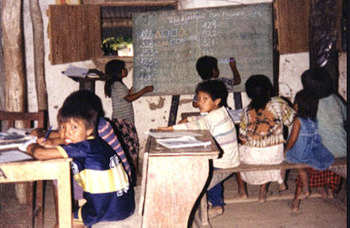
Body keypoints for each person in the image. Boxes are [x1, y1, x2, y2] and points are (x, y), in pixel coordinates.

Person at [27, 94, 135, 227]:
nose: (67, 133)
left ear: (89, 129)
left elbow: (40, 154)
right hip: (124, 203)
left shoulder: (83, 147)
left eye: (74, 128)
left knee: (64, 220)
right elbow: (61, 139)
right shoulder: (96, 142)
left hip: (106, 209)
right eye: (63, 127)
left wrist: (29, 145)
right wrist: (50, 141)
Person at [158, 80, 240, 218]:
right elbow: (201, 121)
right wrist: (189, 120)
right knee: (201, 166)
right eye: (199, 98)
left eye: (205, 99)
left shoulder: (215, 116)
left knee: (200, 176)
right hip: (225, 159)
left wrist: (170, 129)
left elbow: (200, 124)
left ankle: (216, 205)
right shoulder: (220, 111)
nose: (200, 102)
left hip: (223, 163)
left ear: (217, 101)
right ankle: (211, 202)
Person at [288, 67, 345, 206]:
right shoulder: (335, 98)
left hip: (328, 152)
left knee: (303, 154)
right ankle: (326, 189)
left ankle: (298, 198)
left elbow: (305, 132)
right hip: (343, 147)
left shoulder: (311, 103)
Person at [238, 75, 295, 202]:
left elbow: (242, 138)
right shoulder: (279, 103)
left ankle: (242, 189)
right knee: (274, 152)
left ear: (249, 94)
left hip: (252, 158)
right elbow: (291, 121)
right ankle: (265, 188)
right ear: (268, 89)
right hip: (275, 155)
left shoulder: (246, 111)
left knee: (237, 154)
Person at [284, 90, 334, 211]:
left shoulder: (298, 121)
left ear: (299, 105)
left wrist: (286, 149)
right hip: (311, 150)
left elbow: (292, 139)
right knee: (305, 163)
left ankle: (304, 188)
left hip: (299, 152)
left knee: (298, 166)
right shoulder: (314, 120)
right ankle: (313, 188)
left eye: (295, 102)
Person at [104, 59, 153, 174]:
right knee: (132, 148)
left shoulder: (118, 85)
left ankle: (132, 174)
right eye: (123, 68)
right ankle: (134, 174)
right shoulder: (117, 85)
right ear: (118, 72)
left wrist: (131, 91)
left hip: (122, 121)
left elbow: (126, 96)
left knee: (128, 148)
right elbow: (129, 98)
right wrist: (144, 90)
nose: (126, 70)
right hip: (123, 122)